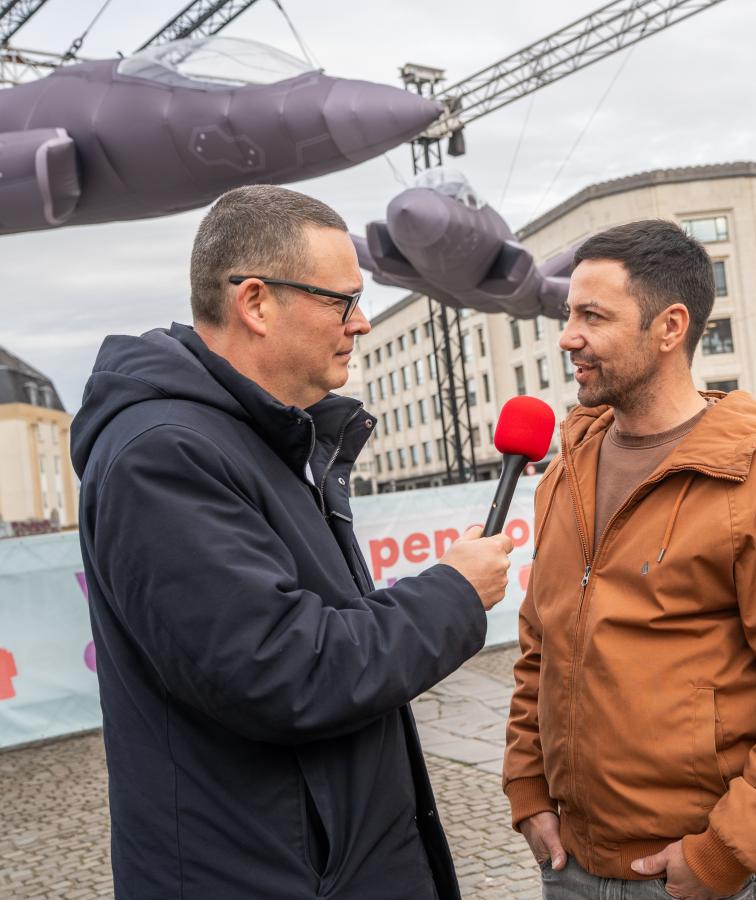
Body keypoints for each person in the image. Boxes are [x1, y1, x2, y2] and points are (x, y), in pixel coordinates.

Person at [71, 185, 516, 899]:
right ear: (256, 302)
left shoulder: (258, 437)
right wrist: (454, 593)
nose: (362, 323)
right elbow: (283, 670)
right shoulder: (164, 455)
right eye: (342, 300)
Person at [503, 220, 756, 900]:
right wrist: (528, 788)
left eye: (592, 316)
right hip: (571, 869)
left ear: (669, 326)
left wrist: (725, 853)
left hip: (700, 880)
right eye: (568, 315)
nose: (567, 337)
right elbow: (540, 647)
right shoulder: (567, 472)